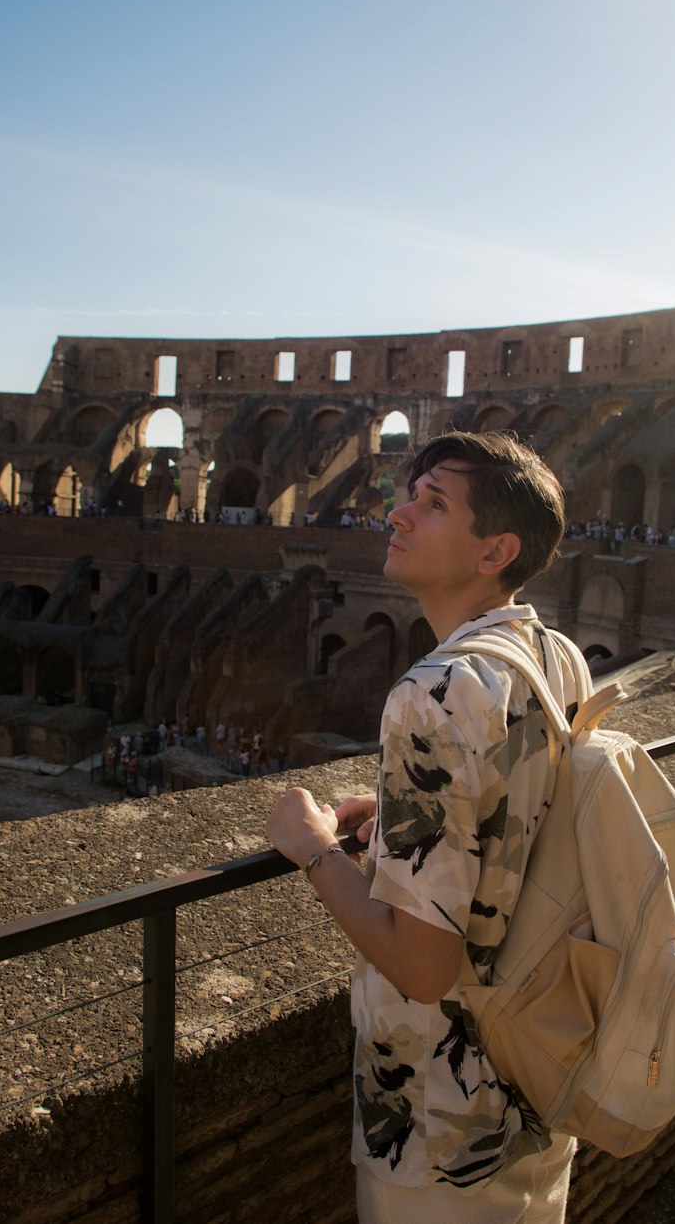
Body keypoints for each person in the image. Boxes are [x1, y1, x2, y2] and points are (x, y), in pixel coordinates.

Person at [266, 430, 578, 1223]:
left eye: (435, 503)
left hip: (439, 1118)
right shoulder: (552, 656)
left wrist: (311, 850)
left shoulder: (432, 692)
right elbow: (517, 817)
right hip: (539, 1077)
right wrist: (408, 818)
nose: (398, 514)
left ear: (494, 550)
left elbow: (424, 966)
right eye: (410, 495)